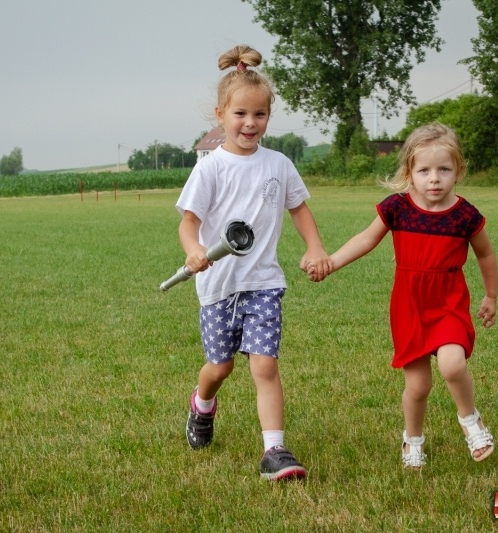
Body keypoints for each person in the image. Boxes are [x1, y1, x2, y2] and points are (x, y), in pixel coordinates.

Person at [175, 44, 332, 481]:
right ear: (220, 114)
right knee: (220, 366)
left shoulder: (278, 165)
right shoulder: (210, 169)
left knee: (264, 364)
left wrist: (314, 247)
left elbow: (299, 208)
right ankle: (202, 404)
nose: (250, 123)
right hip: (217, 285)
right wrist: (193, 249)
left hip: (263, 282)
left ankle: (275, 451)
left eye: (259, 115)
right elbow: (189, 223)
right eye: (241, 114)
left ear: (269, 116)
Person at [311, 123, 497, 469]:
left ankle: (471, 421)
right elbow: (365, 240)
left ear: (459, 170)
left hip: (447, 303)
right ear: (409, 172)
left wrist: (491, 296)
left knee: (452, 363)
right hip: (409, 307)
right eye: (424, 170)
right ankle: (413, 440)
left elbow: (485, 255)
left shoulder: (465, 216)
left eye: (444, 169)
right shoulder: (398, 208)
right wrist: (330, 263)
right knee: (418, 386)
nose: (434, 179)